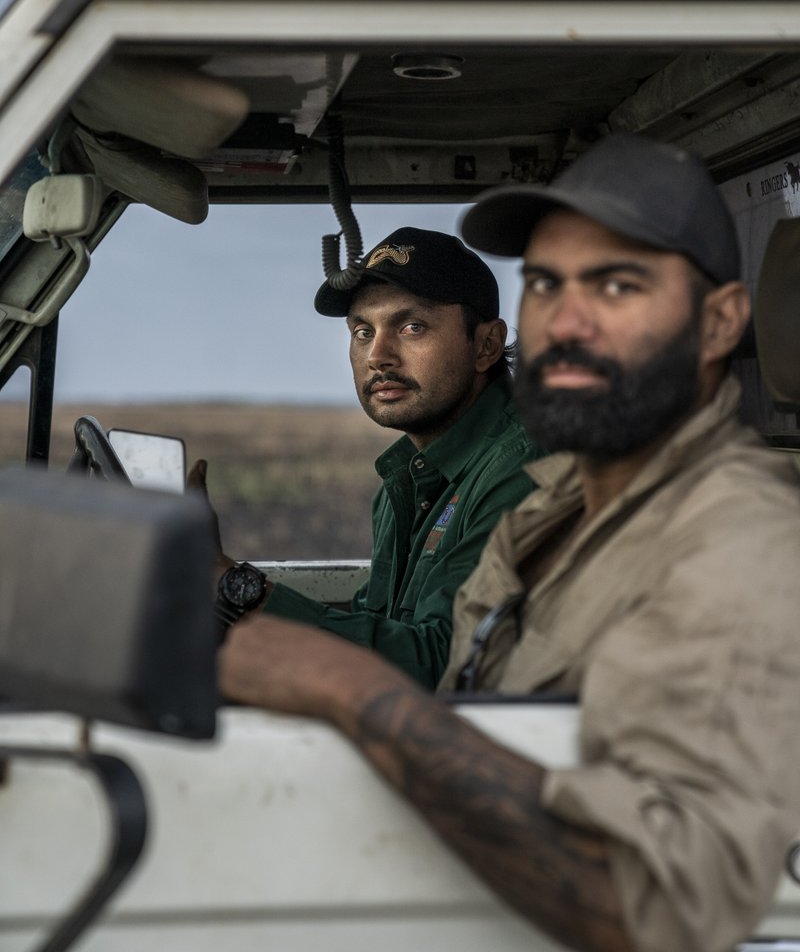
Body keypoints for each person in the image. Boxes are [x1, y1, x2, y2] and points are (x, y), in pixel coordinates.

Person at [217, 136, 800, 952]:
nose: (568, 322)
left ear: (719, 323)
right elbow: (471, 684)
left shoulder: (741, 544)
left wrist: (347, 689)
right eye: (547, 286)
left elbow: (662, 905)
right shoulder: (560, 510)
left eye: (618, 285)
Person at [201, 227, 541, 688]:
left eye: (411, 327)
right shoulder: (404, 483)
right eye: (363, 331)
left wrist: (245, 595)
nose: (378, 356)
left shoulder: (522, 468)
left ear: (485, 345)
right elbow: (380, 627)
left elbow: (444, 664)